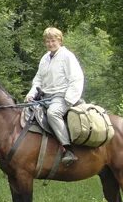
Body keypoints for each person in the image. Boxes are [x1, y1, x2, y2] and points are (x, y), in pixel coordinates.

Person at [24, 27, 84, 166]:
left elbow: (76, 78)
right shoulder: (45, 58)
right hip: (44, 96)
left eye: (53, 40)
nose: (50, 43)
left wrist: (69, 99)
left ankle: (68, 150)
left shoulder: (67, 56)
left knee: (53, 113)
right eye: (47, 41)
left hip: (62, 96)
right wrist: (31, 94)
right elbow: (38, 80)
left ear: (60, 40)